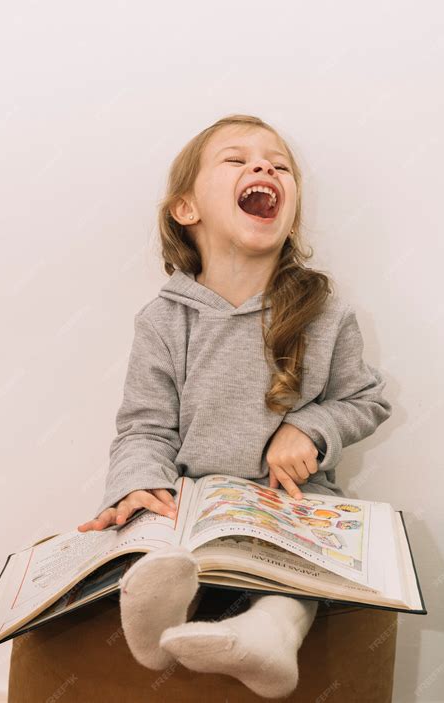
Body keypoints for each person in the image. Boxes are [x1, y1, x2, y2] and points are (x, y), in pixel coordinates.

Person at [77, 114, 392, 698]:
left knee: (303, 576)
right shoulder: (164, 319)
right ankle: (157, 618)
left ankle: (269, 636)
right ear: (186, 210)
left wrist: (311, 427)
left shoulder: (325, 312)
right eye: (236, 158)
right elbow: (143, 426)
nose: (264, 166)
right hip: (192, 501)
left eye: (280, 164)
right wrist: (138, 483)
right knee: (153, 536)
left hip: (291, 502)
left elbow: (366, 400)